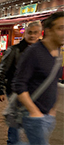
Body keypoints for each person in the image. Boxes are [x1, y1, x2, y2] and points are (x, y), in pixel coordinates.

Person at [12, 12, 64, 145]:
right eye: (60, 28)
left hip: (47, 116)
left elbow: (54, 82)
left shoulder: (57, 53)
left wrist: (53, 110)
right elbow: (19, 84)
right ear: (48, 30)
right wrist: (34, 111)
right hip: (33, 117)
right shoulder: (34, 52)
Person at [0, 21, 42, 145]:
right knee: (15, 125)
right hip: (15, 93)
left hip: (35, 94)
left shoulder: (41, 51)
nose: (32, 35)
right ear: (24, 34)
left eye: (35, 33)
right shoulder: (14, 50)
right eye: (30, 32)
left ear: (39, 34)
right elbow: (2, 71)